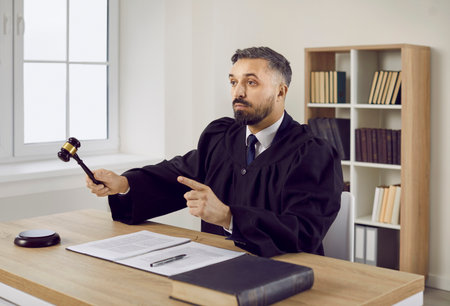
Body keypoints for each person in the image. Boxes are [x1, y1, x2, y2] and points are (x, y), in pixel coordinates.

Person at [86, 47, 343, 258]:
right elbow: (178, 175)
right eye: (233, 82)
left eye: (251, 82)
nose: (238, 92)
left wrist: (229, 217)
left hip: (284, 276)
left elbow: (304, 231)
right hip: (214, 265)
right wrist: (125, 184)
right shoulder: (221, 136)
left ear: (280, 91)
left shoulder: (313, 154)